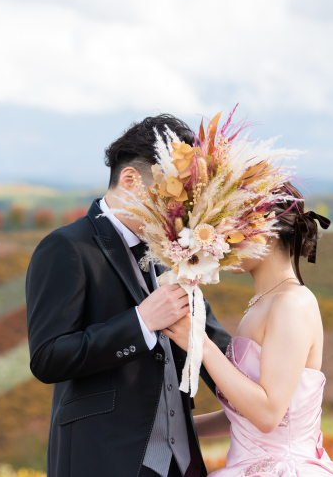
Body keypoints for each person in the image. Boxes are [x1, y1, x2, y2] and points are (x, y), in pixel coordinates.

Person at [25, 114, 232, 477]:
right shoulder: (65, 247)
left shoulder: (174, 252)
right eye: (174, 195)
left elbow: (212, 344)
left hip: (184, 466)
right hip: (105, 461)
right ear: (131, 180)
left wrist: (275, 375)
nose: (180, 210)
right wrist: (141, 323)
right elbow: (47, 358)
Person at [163, 183, 333, 476]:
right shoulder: (262, 303)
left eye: (233, 229)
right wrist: (178, 428)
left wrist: (201, 344)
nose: (222, 242)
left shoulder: (292, 304)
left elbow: (269, 414)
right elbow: (246, 414)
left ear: (266, 232)